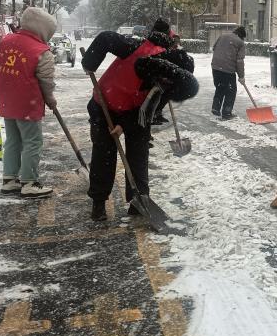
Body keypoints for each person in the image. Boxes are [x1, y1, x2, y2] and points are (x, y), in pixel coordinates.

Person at [81, 19, 198, 221]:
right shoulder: (136, 49)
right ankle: (98, 203)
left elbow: (146, 112)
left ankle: (139, 201)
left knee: (138, 154)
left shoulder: (167, 86)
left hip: (134, 112)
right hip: (104, 104)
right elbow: (106, 38)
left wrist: (123, 125)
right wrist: (89, 63)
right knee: (104, 155)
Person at [0, 6, 58, 198]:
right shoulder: (41, 50)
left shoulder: (6, 41)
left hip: (6, 99)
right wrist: (50, 100)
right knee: (32, 142)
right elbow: (46, 81)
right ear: (43, 29)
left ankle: (9, 180)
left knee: (13, 140)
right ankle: (29, 182)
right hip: (27, 103)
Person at [210, 25, 246, 119]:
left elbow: (214, 48)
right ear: (242, 36)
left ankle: (216, 108)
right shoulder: (240, 43)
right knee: (231, 91)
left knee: (220, 87)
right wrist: (241, 76)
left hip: (215, 67)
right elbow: (239, 61)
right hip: (228, 69)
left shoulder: (222, 36)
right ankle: (226, 113)